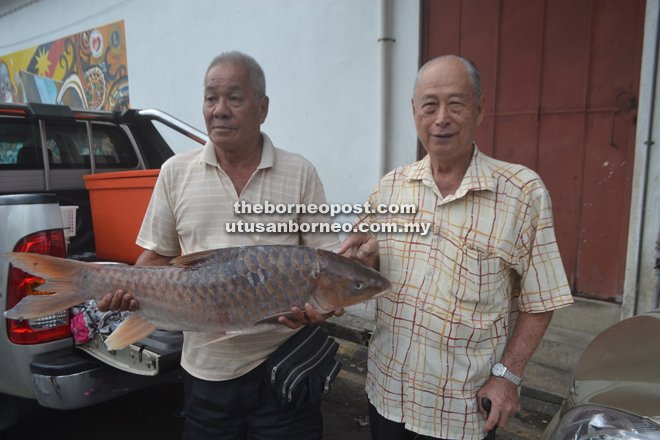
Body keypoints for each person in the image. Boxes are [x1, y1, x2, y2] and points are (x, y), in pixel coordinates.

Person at [98, 51, 342, 440]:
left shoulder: (300, 172)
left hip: (286, 368)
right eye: (211, 98)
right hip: (205, 373)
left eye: (235, 97)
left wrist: (321, 311)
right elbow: (156, 257)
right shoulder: (175, 172)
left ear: (262, 108)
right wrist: (121, 289)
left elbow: (327, 264)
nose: (220, 110)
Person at [338, 55, 574, 440]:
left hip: (461, 410)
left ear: (480, 108)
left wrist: (507, 377)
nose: (441, 118)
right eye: (429, 105)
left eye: (456, 104)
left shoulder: (521, 193)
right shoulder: (390, 188)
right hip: (388, 393)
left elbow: (541, 300)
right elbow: (364, 263)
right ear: (415, 111)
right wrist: (363, 255)